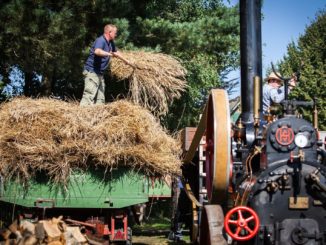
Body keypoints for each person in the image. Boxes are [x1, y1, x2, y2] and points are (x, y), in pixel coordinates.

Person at [80, 24, 132, 106]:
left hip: (100, 73)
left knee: (100, 99)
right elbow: (97, 51)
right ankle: (82, 114)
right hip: (92, 71)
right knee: (89, 95)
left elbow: (116, 52)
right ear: (109, 32)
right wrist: (110, 54)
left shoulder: (110, 42)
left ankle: (98, 116)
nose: (116, 35)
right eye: (115, 33)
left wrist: (127, 60)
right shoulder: (101, 40)